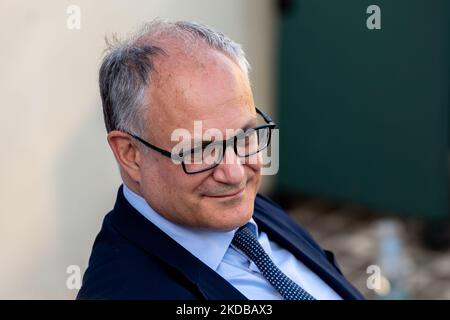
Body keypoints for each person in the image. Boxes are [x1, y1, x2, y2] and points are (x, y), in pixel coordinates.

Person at [77, 19, 364, 300]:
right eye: (202, 150)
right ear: (130, 155)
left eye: (245, 136)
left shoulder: (240, 208)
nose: (236, 174)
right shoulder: (121, 291)